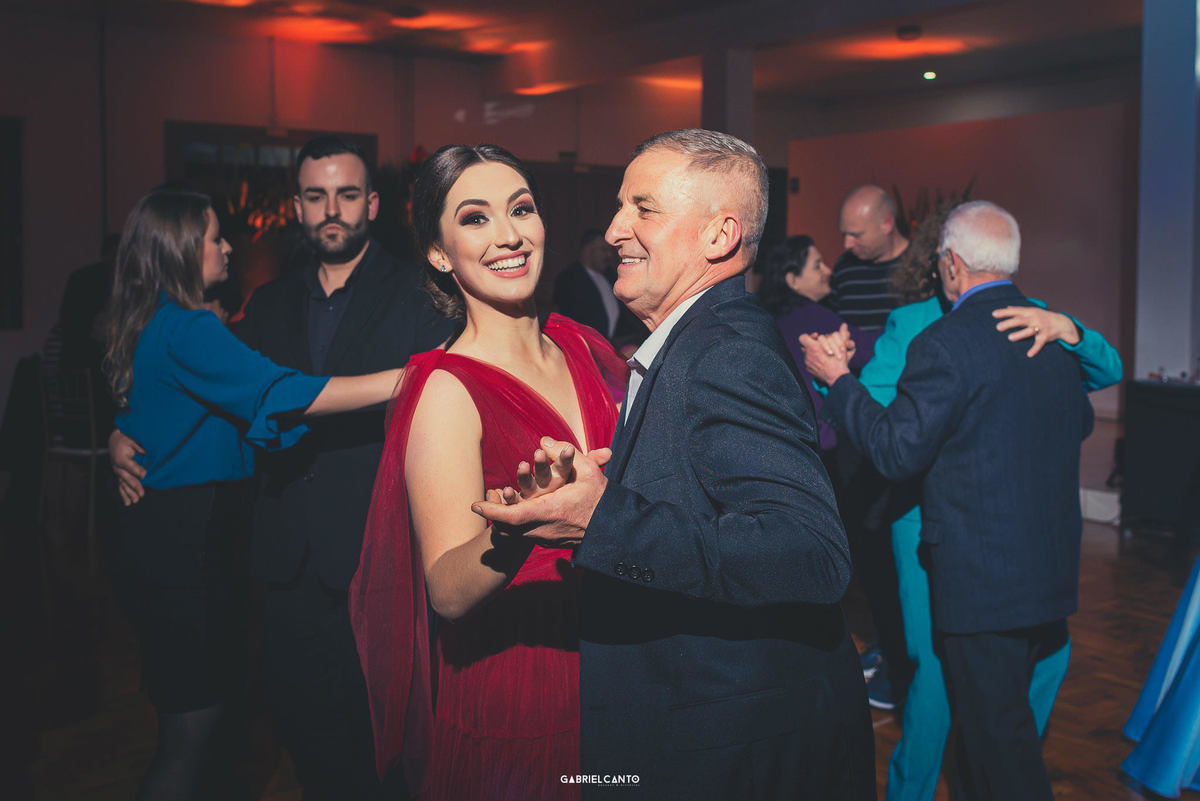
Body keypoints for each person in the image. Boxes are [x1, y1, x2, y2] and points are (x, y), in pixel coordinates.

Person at [475, 129, 874, 800]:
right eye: (618, 208)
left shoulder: (725, 353)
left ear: (719, 237)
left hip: (733, 754)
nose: (613, 229)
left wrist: (602, 518)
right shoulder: (692, 341)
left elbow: (811, 552)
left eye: (643, 208)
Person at [110, 136, 452, 799]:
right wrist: (127, 432)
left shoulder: (420, 295)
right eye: (317, 196)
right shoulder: (264, 304)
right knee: (302, 735)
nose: (333, 210)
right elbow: (207, 389)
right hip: (282, 560)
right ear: (297, 206)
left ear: (373, 205)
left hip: (377, 555)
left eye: (348, 195)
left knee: (387, 749)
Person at [349, 144, 627, 800]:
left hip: (618, 662)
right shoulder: (446, 387)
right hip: (522, 683)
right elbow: (445, 587)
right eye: (475, 218)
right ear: (439, 254)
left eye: (520, 209)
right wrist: (517, 531)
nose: (508, 234)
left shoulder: (584, 344)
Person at [825, 202, 1122, 801]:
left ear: (952, 264)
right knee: (971, 707)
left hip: (980, 560)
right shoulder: (1031, 335)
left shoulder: (1028, 329)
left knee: (998, 739)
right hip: (1013, 551)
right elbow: (1081, 420)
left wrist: (836, 381)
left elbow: (894, 447)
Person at [826, 184, 915, 709]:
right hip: (852, 422)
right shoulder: (847, 268)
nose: (846, 241)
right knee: (866, 548)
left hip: (898, 427)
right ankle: (886, 644)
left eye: (856, 232)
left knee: (895, 548)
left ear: (887, 224)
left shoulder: (919, 276)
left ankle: (901, 657)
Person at [754, 234, 875, 457]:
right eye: (818, 266)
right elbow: (868, 351)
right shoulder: (810, 317)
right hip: (818, 443)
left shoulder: (766, 318)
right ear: (793, 280)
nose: (828, 271)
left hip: (779, 444)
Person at [554, 227, 648, 351]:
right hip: (587, 349)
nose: (608, 255)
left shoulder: (612, 275)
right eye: (603, 250)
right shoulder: (568, 279)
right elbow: (574, 321)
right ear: (588, 250)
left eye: (609, 250)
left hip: (618, 347)